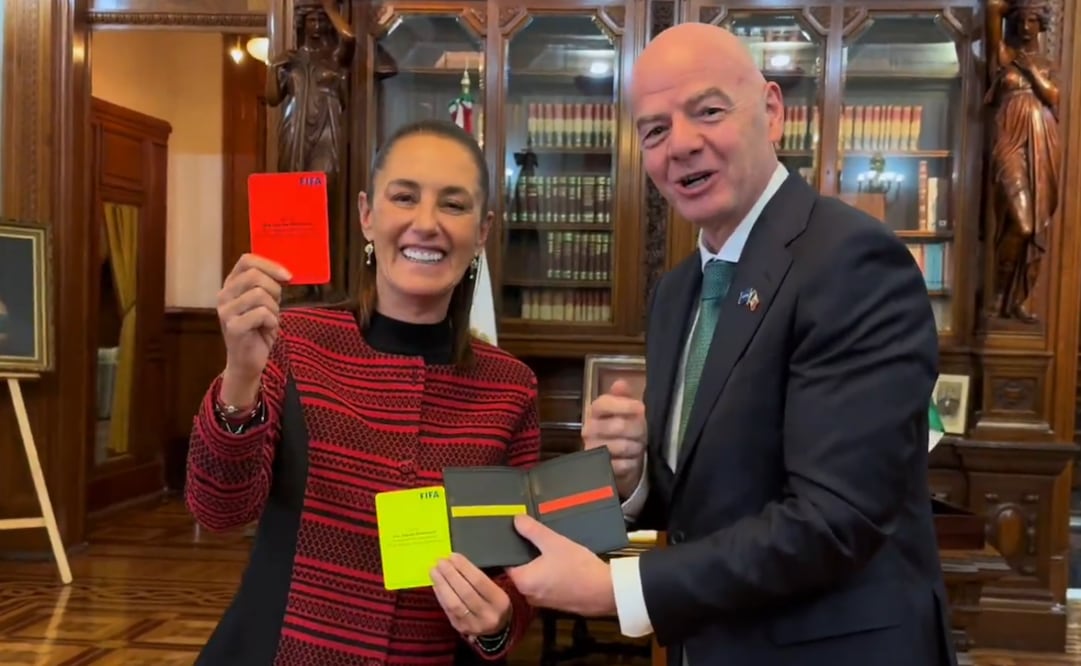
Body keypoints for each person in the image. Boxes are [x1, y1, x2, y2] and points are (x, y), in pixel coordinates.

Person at [506, 22, 954, 666]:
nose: (680, 145)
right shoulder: (678, 292)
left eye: (708, 111)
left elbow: (833, 519)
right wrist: (631, 476)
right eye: (654, 130)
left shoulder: (852, 260)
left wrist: (615, 590)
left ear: (772, 112)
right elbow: (702, 502)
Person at [186, 119, 539, 666]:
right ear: (367, 215)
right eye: (404, 197)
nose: (426, 224)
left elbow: (517, 570)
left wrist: (500, 622)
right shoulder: (294, 343)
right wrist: (239, 373)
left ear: (483, 230)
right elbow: (219, 510)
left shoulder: (509, 387)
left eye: (453, 204)